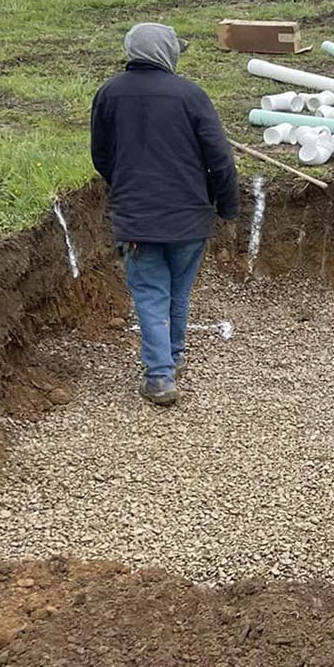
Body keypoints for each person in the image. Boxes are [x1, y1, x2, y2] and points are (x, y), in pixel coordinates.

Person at [90, 22, 238, 407]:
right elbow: (219, 158)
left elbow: (101, 157)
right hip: (190, 218)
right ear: (167, 53)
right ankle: (171, 357)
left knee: (151, 293)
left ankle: (160, 375)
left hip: (137, 218)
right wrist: (227, 205)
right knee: (178, 290)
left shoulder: (108, 94)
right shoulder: (191, 96)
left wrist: (123, 189)